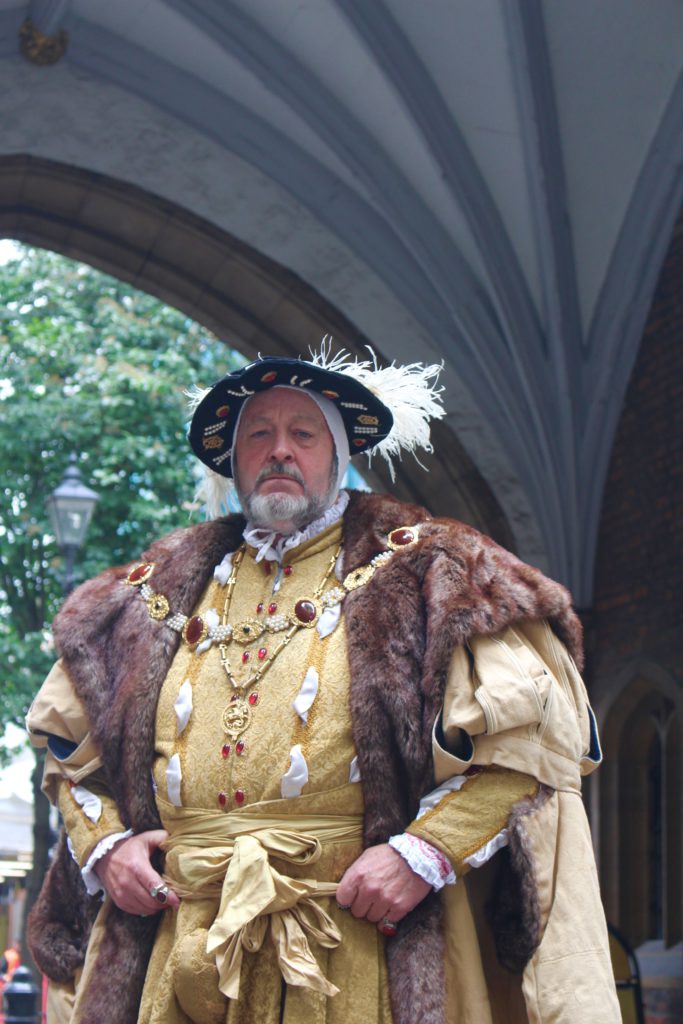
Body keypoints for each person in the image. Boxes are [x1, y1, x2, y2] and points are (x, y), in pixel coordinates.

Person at [26, 347, 620, 1024]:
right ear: (234, 457)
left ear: (338, 455)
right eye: (260, 434)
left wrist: (422, 853)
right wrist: (107, 848)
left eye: (302, 434)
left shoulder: (434, 571)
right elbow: (68, 755)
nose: (280, 450)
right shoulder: (150, 592)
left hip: (354, 943)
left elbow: (529, 744)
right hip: (179, 943)